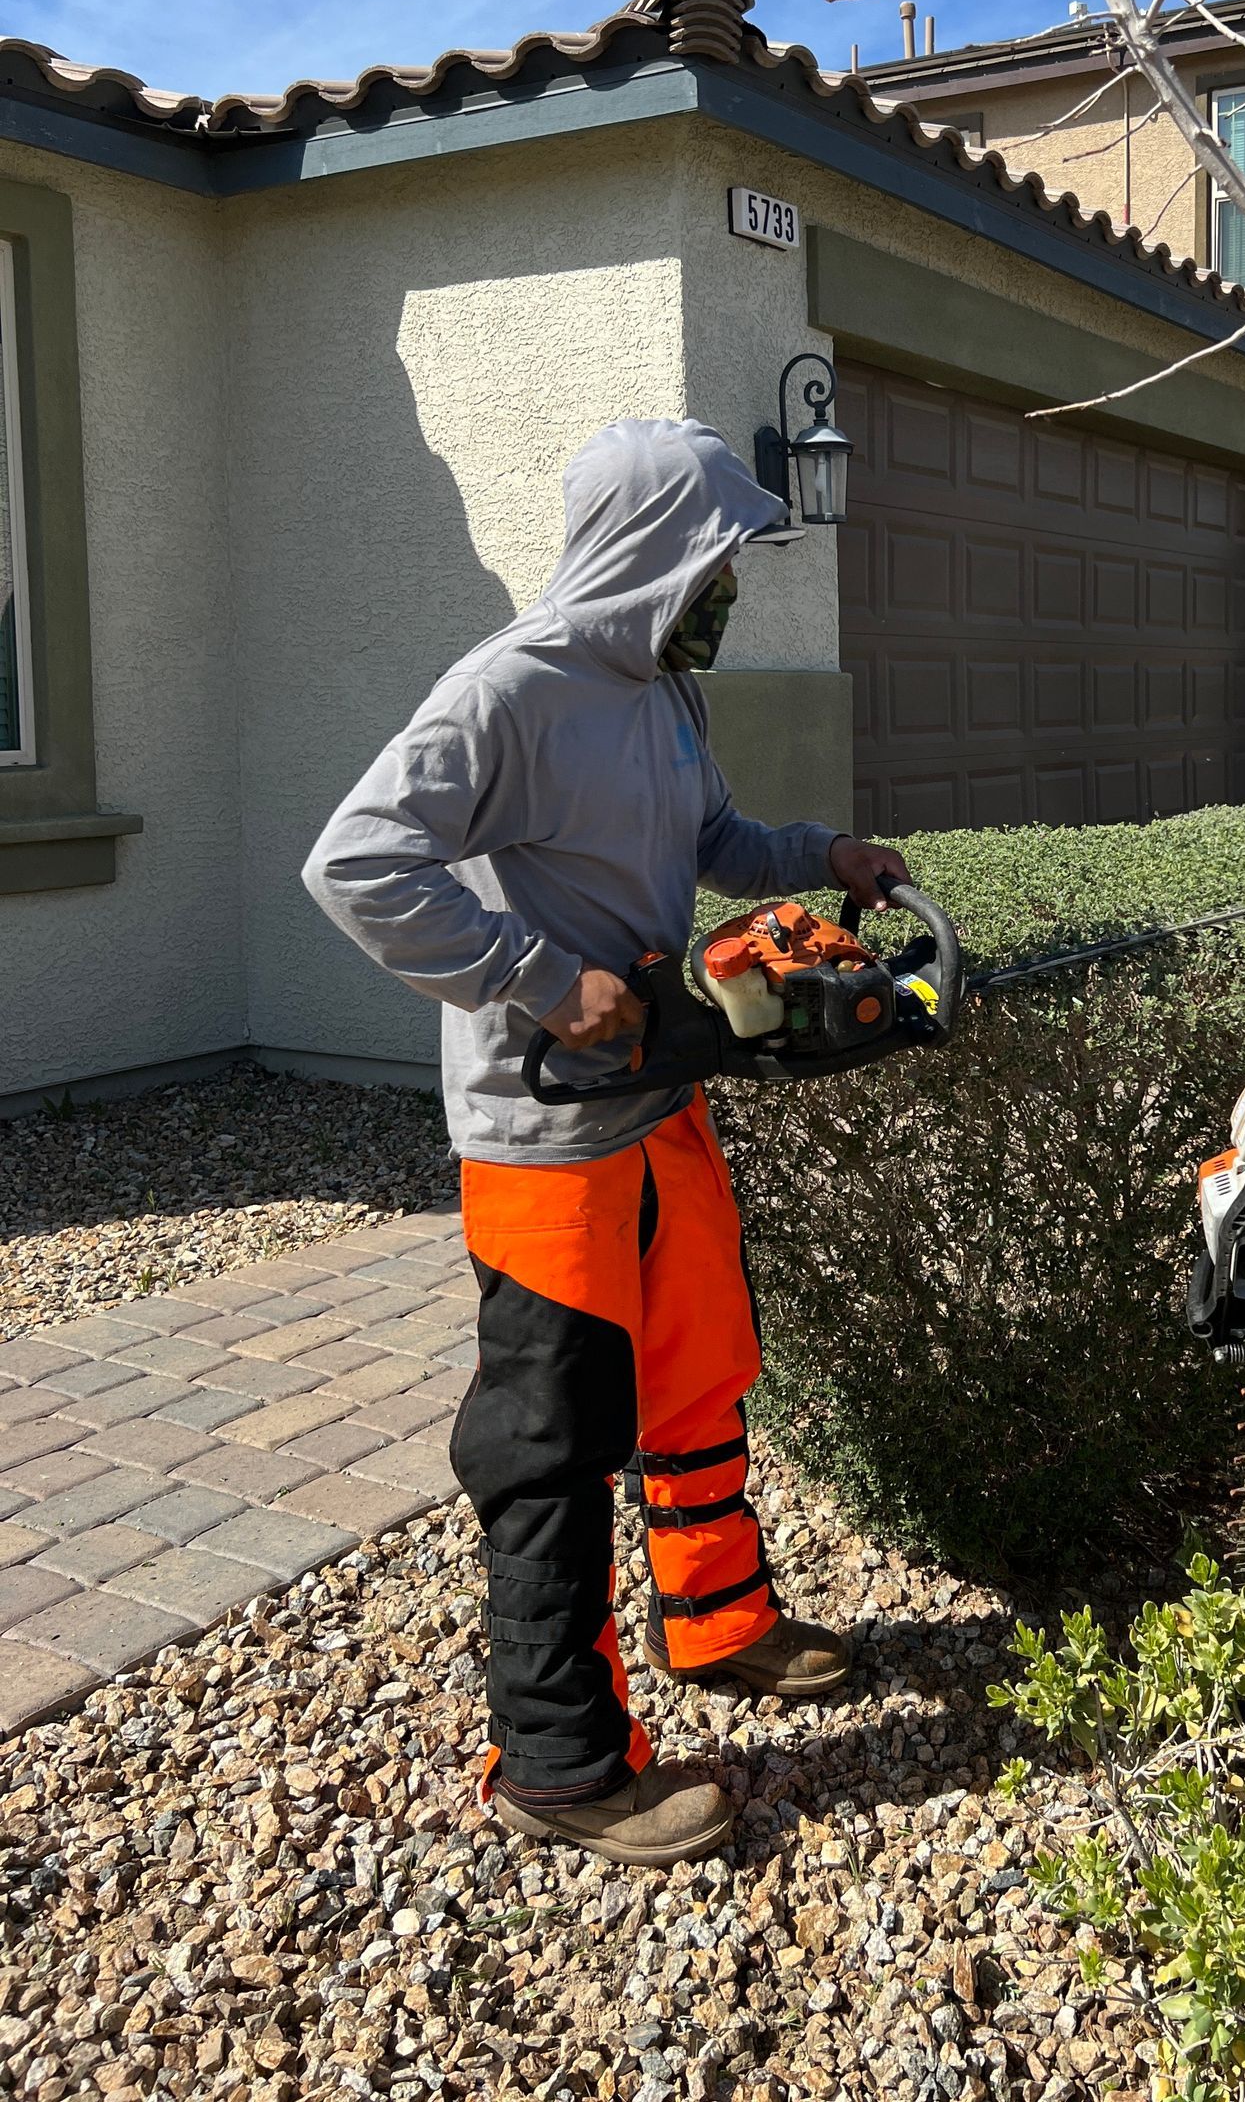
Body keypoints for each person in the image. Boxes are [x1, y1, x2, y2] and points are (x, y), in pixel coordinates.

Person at [304, 416, 909, 1868]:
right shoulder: (506, 691)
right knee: (549, 1442)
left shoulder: (660, 695)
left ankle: (720, 1623)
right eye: (719, 568)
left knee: (697, 1377)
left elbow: (714, 844)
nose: (733, 594)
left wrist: (820, 858)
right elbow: (354, 862)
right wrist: (532, 976)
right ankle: (559, 1761)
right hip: (547, 1137)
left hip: (661, 1094)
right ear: (653, 558)